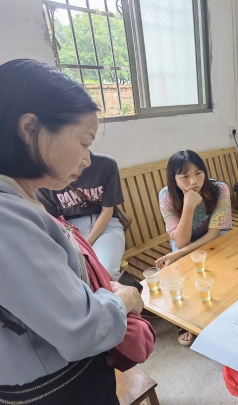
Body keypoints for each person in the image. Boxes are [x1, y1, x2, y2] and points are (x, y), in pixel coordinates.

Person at [0, 59, 144, 404]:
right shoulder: (8, 219)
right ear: (30, 128)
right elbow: (83, 329)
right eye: (83, 141)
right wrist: (123, 299)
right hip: (55, 386)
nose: (87, 159)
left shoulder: (22, 199)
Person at [155, 150, 232, 345]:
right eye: (185, 177)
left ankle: (222, 309)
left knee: (220, 264)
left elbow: (213, 234)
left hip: (215, 235)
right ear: (174, 179)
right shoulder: (166, 196)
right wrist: (188, 206)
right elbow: (181, 241)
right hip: (185, 238)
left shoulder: (219, 189)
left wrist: (180, 252)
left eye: (198, 173)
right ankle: (188, 319)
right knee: (182, 270)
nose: (194, 181)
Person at [36, 152, 126, 280]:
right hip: (72, 231)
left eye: (86, 144)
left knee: (106, 273)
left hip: (106, 225)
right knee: (76, 277)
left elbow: (107, 210)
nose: (86, 162)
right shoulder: (44, 177)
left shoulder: (106, 165)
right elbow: (52, 221)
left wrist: (85, 246)